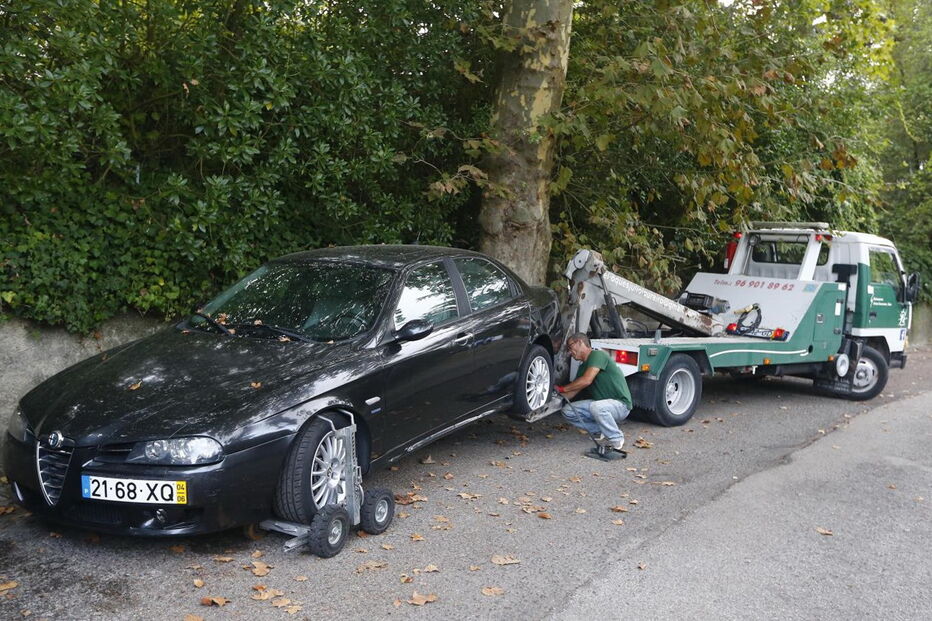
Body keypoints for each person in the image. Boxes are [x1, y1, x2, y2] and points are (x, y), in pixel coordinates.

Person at [555, 332, 633, 450]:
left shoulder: (597, 355)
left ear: (580, 342)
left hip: (620, 405)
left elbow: (586, 380)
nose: (570, 352)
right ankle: (602, 429)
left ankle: (616, 438)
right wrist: (553, 397)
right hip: (601, 405)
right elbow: (572, 393)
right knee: (568, 411)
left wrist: (561, 388)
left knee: (597, 407)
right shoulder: (582, 367)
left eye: (570, 347)